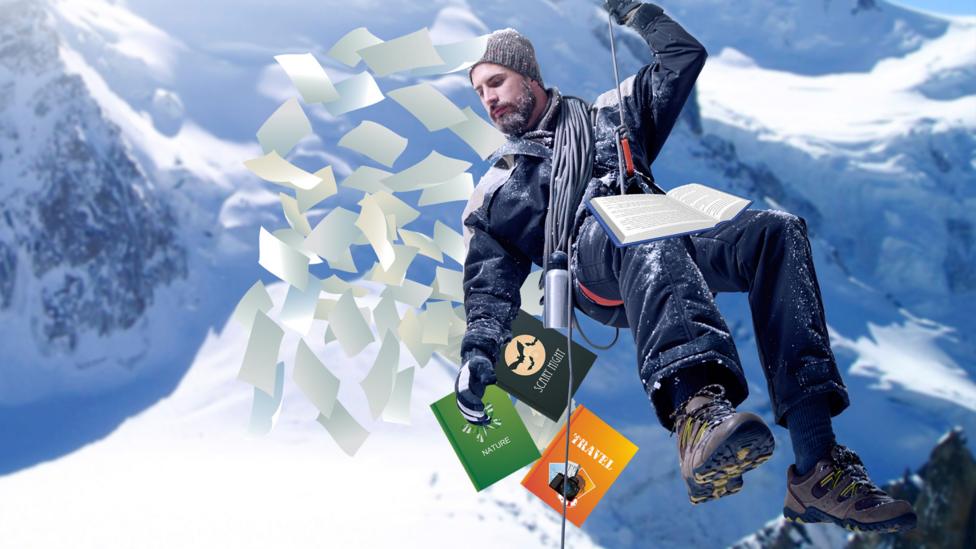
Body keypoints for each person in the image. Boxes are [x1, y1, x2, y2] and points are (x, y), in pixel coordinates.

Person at [453, 0, 916, 534]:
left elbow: (682, 56)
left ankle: (818, 466)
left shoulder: (612, 113)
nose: (488, 98)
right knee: (640, 226)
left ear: (528, 75)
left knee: (775, 233)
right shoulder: (497, 193)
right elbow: (489, 287)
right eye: (479, 91)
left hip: (663, 228)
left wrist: (635, 10)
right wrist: (479, 353)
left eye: (496, 81)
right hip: (592, 263)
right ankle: (694, 412)